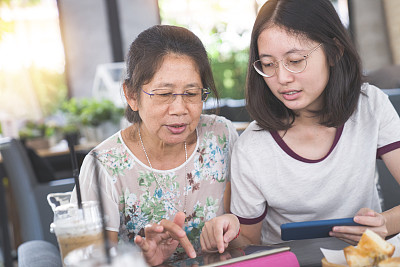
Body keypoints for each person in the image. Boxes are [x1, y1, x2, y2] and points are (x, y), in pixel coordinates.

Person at [200, 0, 400, 253]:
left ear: (334, 51)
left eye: (295, 61)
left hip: (363, 257)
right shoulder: (253, 147)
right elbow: (248, 243)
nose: (282, 78)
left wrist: (386, 223)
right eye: (269, 64)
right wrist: (227, 232)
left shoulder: (370, 107)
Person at [71, 25, 239, 265]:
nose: (180, 109)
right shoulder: (103, 166)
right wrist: (143, 260)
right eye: (163, 94)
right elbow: (91, 263)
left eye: (191, 93)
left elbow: (245, 231)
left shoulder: (221, 136)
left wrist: (233, 224)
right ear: (131, 95)